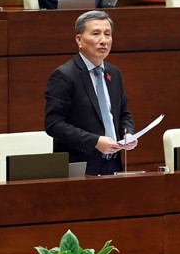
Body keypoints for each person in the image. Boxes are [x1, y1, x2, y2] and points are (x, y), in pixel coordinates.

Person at [44, 10, 137, 175]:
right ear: (79, 40)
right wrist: (95, 141)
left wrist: (127, 133)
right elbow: (54, 125)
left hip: (113, 163)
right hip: (79, 167)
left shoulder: (114, 73)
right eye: (96, 34)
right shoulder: (64, 75)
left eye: (107, 34)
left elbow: (123, 114)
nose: (103, 40)